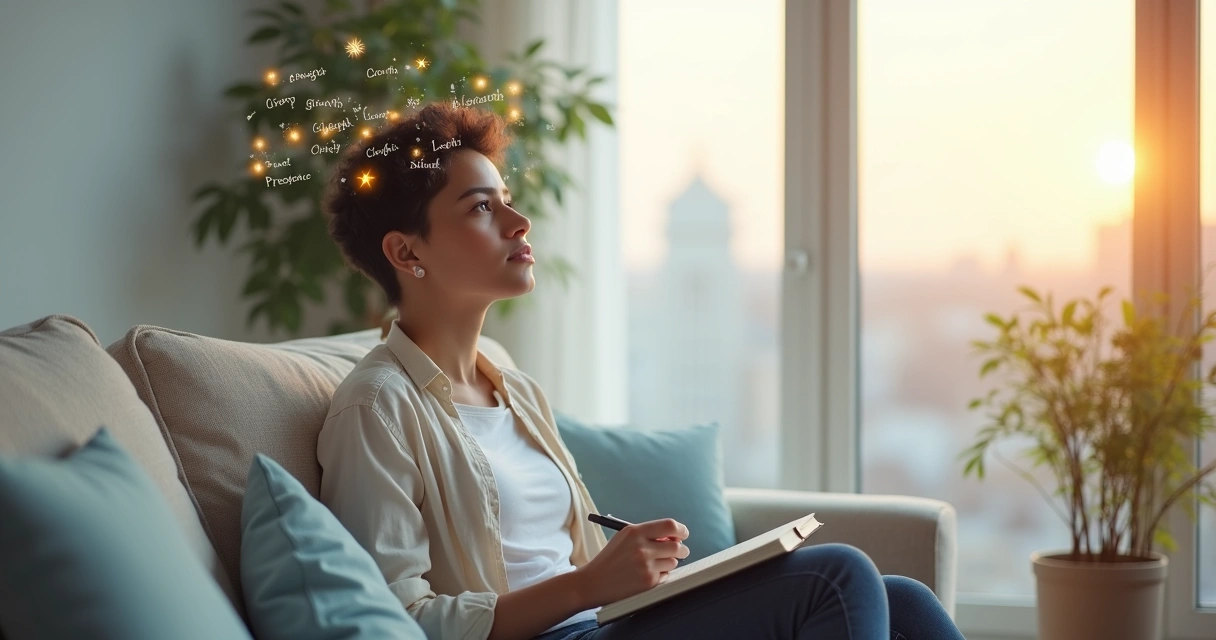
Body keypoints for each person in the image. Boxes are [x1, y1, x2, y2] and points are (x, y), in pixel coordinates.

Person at [317, 101, 967, 640]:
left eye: (506, 199)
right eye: (482, 208)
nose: (520, 221)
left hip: (595, 624)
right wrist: (590, 585)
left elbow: (565, 562)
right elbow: (401, 621)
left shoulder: (512, 389)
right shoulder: (377, 407)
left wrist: (632, 573)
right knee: (835, 575)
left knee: (902, 600)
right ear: (406, 251)